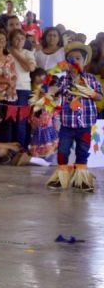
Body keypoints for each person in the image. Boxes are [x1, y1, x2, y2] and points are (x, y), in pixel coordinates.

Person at [46, 43, 102, 192]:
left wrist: (91, 93)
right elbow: (53, 92)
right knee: (63, 151)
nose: (74, 61)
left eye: (78, 58)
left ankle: (81, 180)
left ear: (85, 61)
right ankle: (60, 178)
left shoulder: (91, 79)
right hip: (67, 125)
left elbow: (100, 96)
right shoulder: (63, 80)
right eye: (71, 59)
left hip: (85, 125)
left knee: (82, 151)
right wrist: (50, 92)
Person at [8, 28, 36, 148]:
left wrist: (16, 54)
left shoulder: (28, 53)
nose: (19, 41)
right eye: (16, 38)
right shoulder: (7, 52)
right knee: (9, 119)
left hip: (24, 89)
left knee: (21, 120)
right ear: (11, 40)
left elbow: (31, 68)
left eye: (22, 38)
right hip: (9, 88)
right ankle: (10, 147)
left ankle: (21, 148)